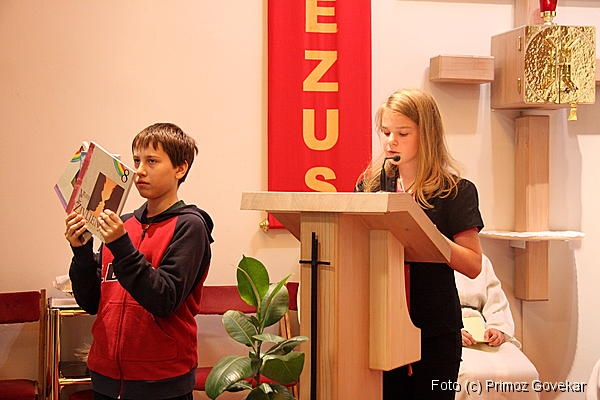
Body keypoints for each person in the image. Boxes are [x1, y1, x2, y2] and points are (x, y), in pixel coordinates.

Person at [64, 123, 214, 400]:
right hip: (105, 377)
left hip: (162, 381)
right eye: (136, 161)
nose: (140, 171)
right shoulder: (123, 224)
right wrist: (81, 252)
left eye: (152, 161)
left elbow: (163, 299)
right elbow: (90, 302)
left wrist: (121, 245)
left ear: (180, 169)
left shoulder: (190, 226)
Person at [355, 88, 483, 399]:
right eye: (385, 132)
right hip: (379, 324)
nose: (391, 141)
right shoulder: (369, 186)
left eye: (402, 133)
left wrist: (426, 233)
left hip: (435, 329)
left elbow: (473, 265)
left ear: (427, 134)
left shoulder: (456, 191)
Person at [455, 254, 540, 400]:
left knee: (526, 373)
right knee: (471, 375)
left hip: (483, 329)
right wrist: (448, 332)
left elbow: (496, 302)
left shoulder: (479, 259)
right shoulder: (427, 258)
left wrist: (497, 328)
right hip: (450, 331)